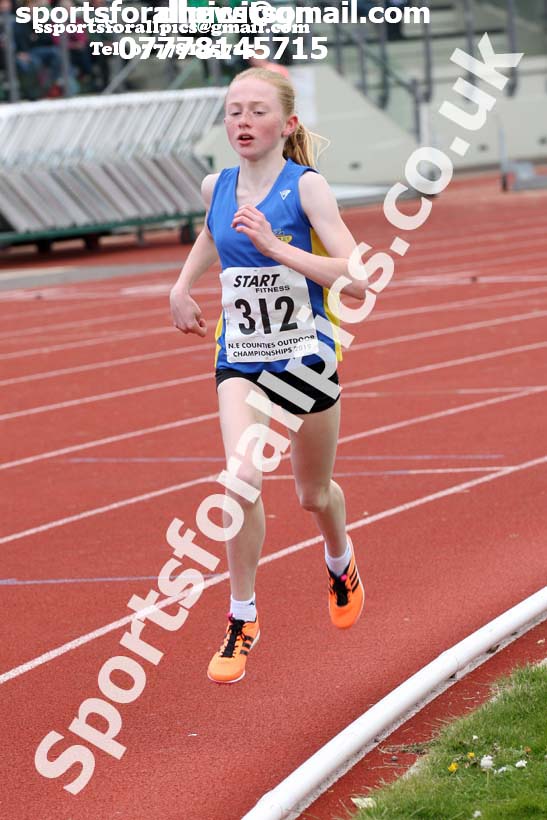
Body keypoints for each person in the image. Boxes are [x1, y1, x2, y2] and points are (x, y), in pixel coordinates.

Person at [170, 67, 365, 685]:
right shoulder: (216, 185)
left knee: (312, 494)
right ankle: (242, 615)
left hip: (306, 358)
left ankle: (340, 558)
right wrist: (182, 285)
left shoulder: (307, 190)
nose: (243, 122)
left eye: (257, 111)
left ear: (288, 123)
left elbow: (356, 276)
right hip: (242, 359)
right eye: (233, 112)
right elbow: (212, 233)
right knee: (242, 478)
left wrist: (281, 249)